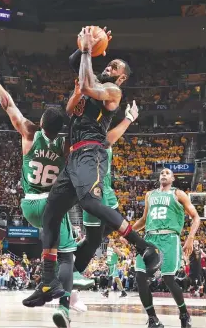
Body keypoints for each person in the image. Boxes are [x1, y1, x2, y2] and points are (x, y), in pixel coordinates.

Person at [22, 26, 162, 308]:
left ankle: (144, 246)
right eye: (108, 62)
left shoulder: (112, 91)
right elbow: (75, 64)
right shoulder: (92, 77)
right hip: (73, 156)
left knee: (88, 201)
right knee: (51, 212)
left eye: (114, 66)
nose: (109, 66)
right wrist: (86, 47)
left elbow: (87, 85)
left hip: (91, 151)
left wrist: (88, 48)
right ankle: (49, 281)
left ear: (121, 77)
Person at [0, 62, 76, 328]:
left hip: (29, 207)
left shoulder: (29, 132)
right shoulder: (65, 146)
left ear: (41, 123)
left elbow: (7, 104)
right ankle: (63, 307)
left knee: (53, 251)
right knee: (66, 257)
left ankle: (47, 285)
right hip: (52, 206)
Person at [67, 79, 139, 287]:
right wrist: (128, 119)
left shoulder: (102, 115)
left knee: (101, 234)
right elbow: (107, 140)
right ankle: (70, 266)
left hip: (106, 186)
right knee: (95, 238)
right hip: (95, 186)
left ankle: (72, 264)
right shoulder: (92, 129)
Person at [131, 168, 200, 328]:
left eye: (167, 173)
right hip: (150, 238)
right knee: (140, 276)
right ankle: (153, 318)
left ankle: (184, 314)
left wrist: (190, 238)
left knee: (168, 279)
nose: (164, 174)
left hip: (169, 238)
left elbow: (196, 217)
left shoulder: (178, 194)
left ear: (173, 178)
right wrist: (129, 231)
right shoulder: (150, 195)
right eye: (161, 172)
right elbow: (143, 219)